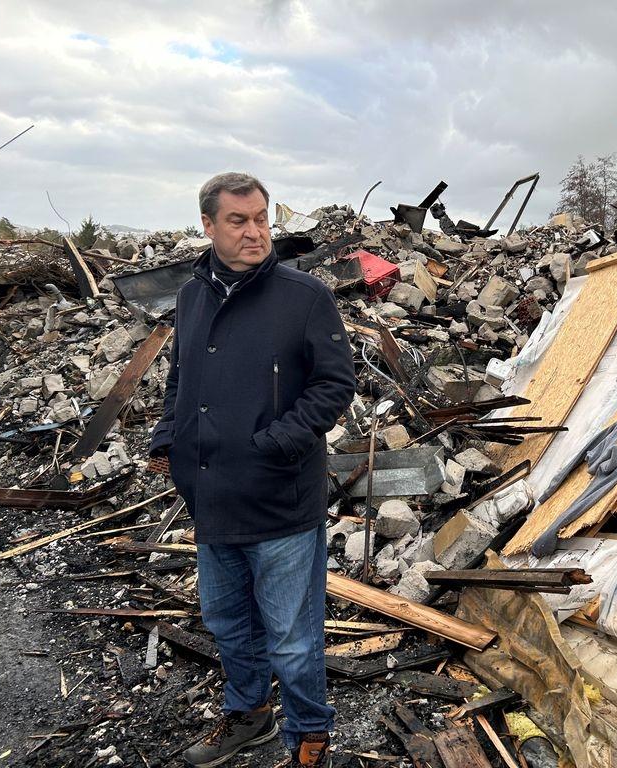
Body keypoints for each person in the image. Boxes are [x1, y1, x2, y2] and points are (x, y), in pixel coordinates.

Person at [150, 172, 356, 767]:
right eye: (238, 220)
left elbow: (335, 384)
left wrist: (277, 442)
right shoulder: (191, 297)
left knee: (291, 638)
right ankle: (250, 715)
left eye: (262, 218)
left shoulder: (304, 297)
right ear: (208, 225)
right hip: (212, 496)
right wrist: (169, 438)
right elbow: (181, 378)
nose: (255, 231)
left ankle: (310, 734)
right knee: (227, 623)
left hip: (279, 497)